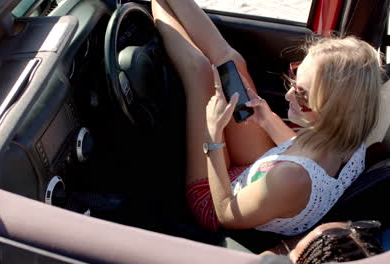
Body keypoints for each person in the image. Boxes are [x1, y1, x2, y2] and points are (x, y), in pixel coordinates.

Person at [151, 0, 383, 236]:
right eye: (294, 77)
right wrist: (267, 120)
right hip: (259, 177)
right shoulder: (350, 139)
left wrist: (214, 134)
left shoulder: (290, 179)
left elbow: (225, 213)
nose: (288, 94)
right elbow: (302, 151)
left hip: (217, 199)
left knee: (199, 70)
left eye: (302, 95)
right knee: (231, 63)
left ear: (334, 109)